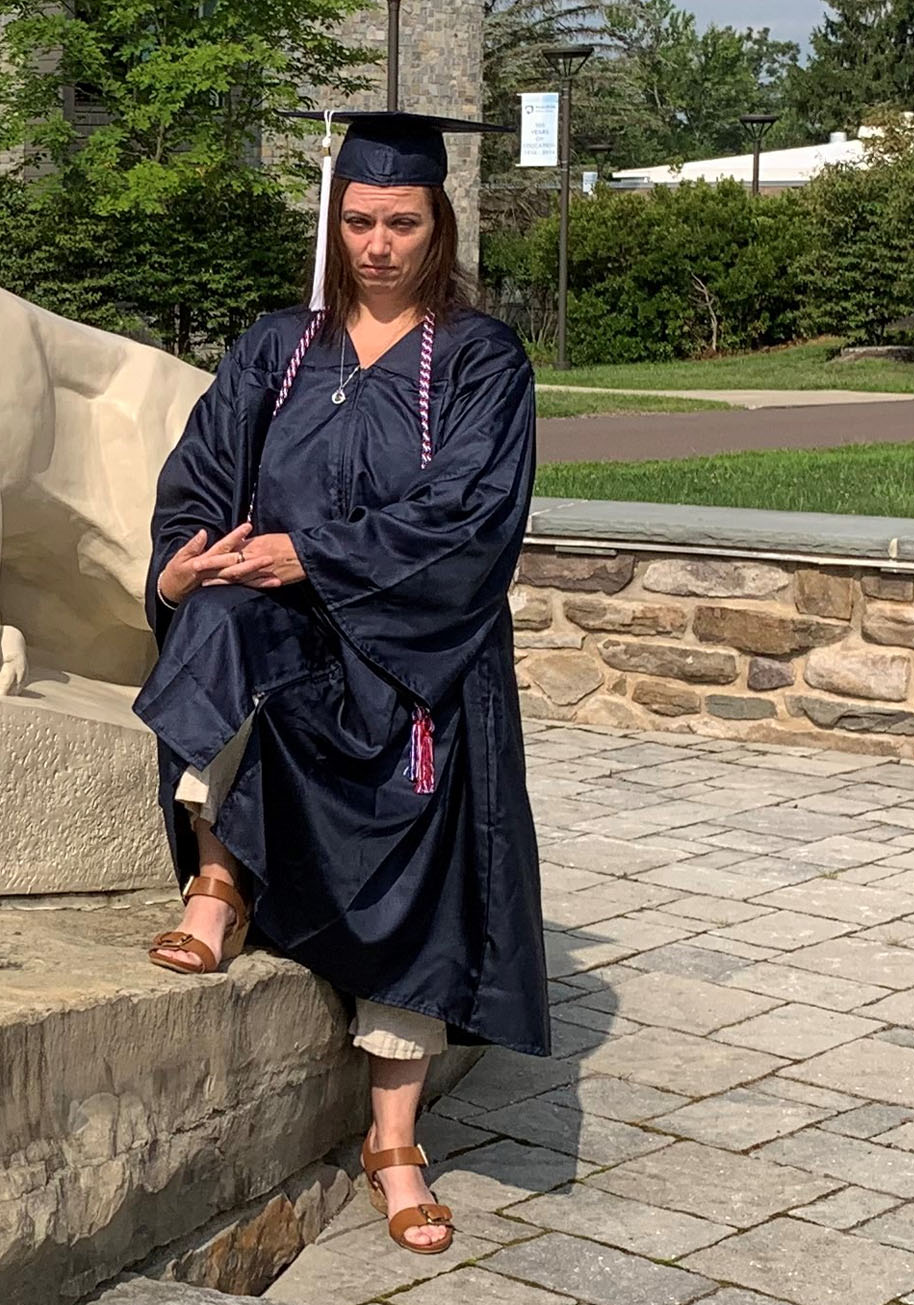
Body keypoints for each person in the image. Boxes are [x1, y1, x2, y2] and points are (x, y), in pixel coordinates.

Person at [133, 111, 548, 1258]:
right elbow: (201, 480)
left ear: (438, 224)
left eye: (400, 222)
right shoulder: (274, 352)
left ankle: (394, 1142)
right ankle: (218, 886)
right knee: (212, 620)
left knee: (411, 875)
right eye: (357, 220)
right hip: (283, 642)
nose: (376, 244)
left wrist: (312, 554)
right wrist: (179, 559)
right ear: (334, 222)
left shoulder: (477, 362)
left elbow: (469, 516)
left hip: (414, 660)